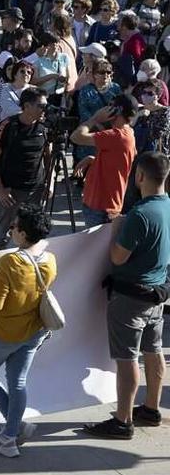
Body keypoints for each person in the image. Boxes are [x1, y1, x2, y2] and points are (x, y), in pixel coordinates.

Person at [83, 151, 169, 439]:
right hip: (157, 292)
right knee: (153, 350)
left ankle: (123, 420)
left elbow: (118, 258)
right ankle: (151, 409)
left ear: (140, 176)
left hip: (131, 296)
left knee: (127, 358)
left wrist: (117, 229)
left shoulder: (139, 215)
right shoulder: (167, 206)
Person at [0, 204, 55, 458]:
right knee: (18, 382)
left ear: (23, 233)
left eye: (14, 226)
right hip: (34, 332)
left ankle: (13, 431)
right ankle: (11, 433)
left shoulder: (10, 261)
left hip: (5, 332)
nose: (11, 230)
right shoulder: (50, 260)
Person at [70, 94, 138, 227]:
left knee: (97, 241)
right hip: (103, 205)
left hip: (101, 208)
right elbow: (118, 161)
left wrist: (94, 119)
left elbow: (76, 137)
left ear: (116, 111)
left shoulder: (117, 136)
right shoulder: (128, 132)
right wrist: (93, 159)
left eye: (110, 107)